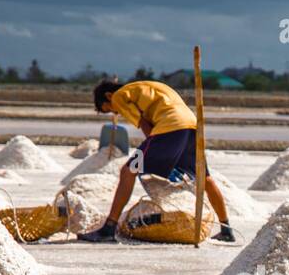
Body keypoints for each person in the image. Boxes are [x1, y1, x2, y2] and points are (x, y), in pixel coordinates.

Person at [78, 78, 236, 243]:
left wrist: (156, 152)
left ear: (108, 96)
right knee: (204, 178)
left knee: (128, 171)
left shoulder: (119, 96)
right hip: (191, 125)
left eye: (109, 109)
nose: (115, 113)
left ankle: (108, 228)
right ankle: (226, 229)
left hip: (170, 127)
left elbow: (145, 126)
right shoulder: (146, 87)